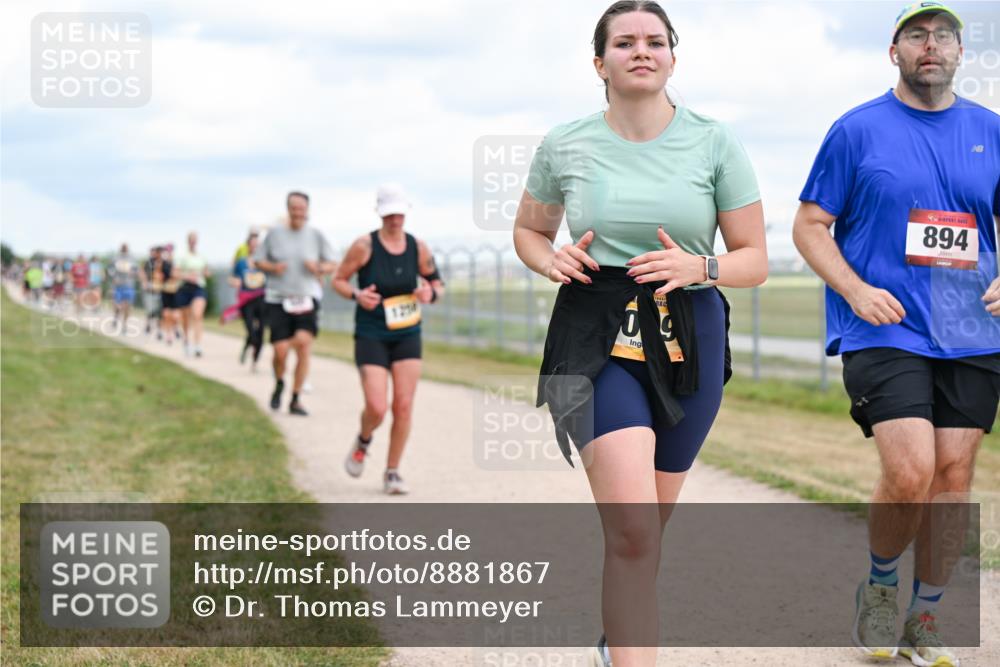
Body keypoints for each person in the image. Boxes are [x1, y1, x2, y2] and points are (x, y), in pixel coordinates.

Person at [512, 2, 767, 664]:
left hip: (690, 335)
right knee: (631, 531)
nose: (641, 50)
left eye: (656, 41)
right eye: (624, 42)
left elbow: (754, 259)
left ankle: (616, 637)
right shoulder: (565, 142)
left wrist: (699, 264)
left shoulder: (716, 142)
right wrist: (549, 258)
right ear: (600, 62)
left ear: (673, 58)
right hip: (594, 334)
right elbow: (530, 231)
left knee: (649, 529)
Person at [793, 3, 1000, 665]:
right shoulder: (857, 131)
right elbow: (809, 225)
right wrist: (854, 289)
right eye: (917, 34)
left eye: (943, 35)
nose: (930, 45)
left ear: (960, 52)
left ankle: (928, 616)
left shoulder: (991, 131)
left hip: (973, 328)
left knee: (954, 473)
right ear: (895, 51)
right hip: (885, 326)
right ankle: (882, 589)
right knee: (910, 471)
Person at [334, 184, 445, 495]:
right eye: (389, 214)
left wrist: (430, 293)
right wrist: (357, 294)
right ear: (380, 214)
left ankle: (392, 471)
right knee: (377, 406)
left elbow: (437, 284)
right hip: (372, 332)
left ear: (405, 212)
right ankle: (364, 438)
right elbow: (337, 280)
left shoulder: (418, 247)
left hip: (408, 332)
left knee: (404, 405)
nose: (395, 219)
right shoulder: (363, 246)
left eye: (399, 213)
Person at [254, 192, 336, 415]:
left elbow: (332, 263)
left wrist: (318, 269)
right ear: (288, 209)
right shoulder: (274, 234)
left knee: (303, 344)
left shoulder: (316, 235)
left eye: (302, 208)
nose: (298, 212)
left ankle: (296, 398)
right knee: (280, 351)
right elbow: (258, 260)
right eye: (294, 208)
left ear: (307, 210)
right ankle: (280, 382)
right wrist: (273, 268)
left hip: (306, 297)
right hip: (278, 298)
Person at [227, 230, 267, 371]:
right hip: (246, 300)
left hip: (262, 299)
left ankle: (255, 361)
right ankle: (246, 347)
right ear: (248, 246)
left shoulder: (264, 263)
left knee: (261, 332)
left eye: (258, 245)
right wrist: (235, 282)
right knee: (251, 331)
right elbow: (231, 278)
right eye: (253, 245)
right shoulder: (241, 263)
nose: (255, 247)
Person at [174, 232, 210, 357]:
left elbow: (206, 271)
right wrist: (187, 276)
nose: (193, 242)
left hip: (198, 287)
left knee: (197, 314)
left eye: (195, 240)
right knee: (185, 319)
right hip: (184, 287)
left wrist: (204, 274)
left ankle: (198, 345)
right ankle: (186, 341)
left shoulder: (201, 256)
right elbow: (175, 273)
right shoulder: (181, 256)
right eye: (191, 240)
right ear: (188, 241)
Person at [109, 244, 139, 333]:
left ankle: (124, 325)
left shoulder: (132, 259)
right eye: (123, 248)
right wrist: (114, 277)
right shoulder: (115, 258)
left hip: (129, 286)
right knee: (118, 306)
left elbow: (136, 271)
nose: (124, 250)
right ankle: (116, 317)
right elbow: (110, 270)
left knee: (128, 306)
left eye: (126, 248)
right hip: (118, 286)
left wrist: (133, 273)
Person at [140, 246, 165, 337]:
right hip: (150, 288)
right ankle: (148, 326)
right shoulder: (148, 262)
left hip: (159, 289)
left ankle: (159, 330)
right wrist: (145, 282)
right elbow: (142, 272)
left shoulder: (163, 263)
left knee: (159, 311)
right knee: (150, 310)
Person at [159, 244, 180, 345]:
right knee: (167, 314)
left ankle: (175, 328)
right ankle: (169, 335)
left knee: (175, 315)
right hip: (166, 291)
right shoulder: (163, 264)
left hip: (175, 291)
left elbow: (178, 275)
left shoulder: (176, 262)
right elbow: (168, 275)